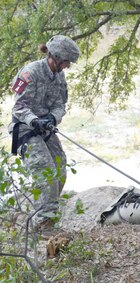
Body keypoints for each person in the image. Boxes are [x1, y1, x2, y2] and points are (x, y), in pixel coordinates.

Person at [8, 35, 80, 231]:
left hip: (46, 129)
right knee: (46, 174)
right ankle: (44, 226)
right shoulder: (30, 72)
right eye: (66, 62)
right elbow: (19, 107)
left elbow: (60, 105)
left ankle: (45, 216)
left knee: (60, 169)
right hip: (25, 129)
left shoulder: (59, 76)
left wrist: (52, 118)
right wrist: (34, 120)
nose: (67, 66)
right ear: (56, 57)